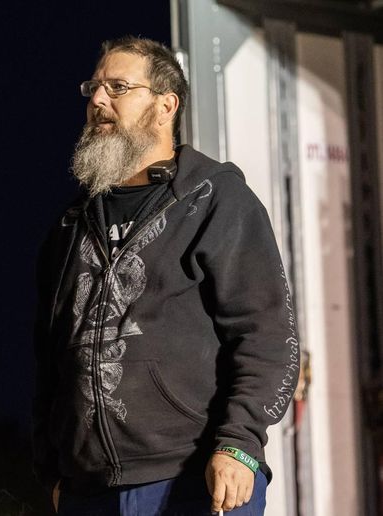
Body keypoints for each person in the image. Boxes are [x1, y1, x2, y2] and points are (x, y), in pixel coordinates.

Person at [32, 37, 299, 515]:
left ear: (165, 105)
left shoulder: (215, 200)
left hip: (194, 478)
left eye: (118, 87)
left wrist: (240, 443)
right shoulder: (69, 227)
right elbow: (49, 361)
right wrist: (51, 472)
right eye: (94, 87)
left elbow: (267, 336)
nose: (97, 100)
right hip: (86, 492)